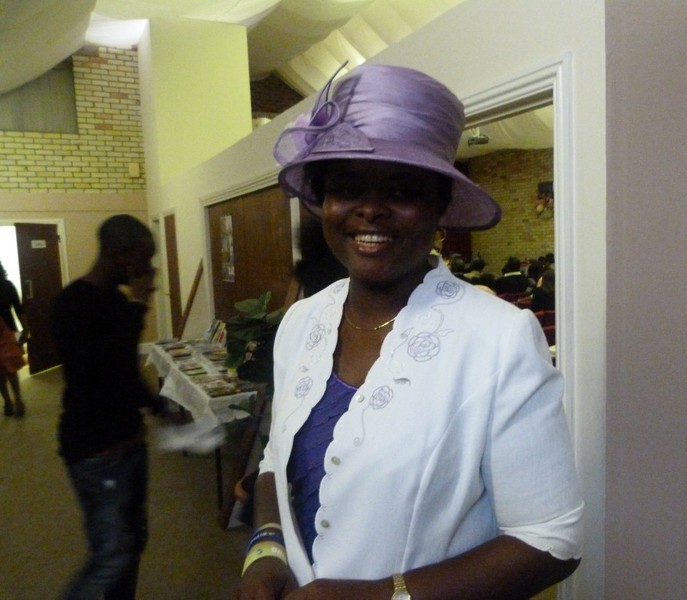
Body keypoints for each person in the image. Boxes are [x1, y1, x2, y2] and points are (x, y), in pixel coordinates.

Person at [234, 64, 583, 600]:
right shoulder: (302, 322)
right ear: (324, 202)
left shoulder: (498, 338)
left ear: (440, 205)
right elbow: (274, 462)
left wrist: (377, 595)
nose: (370, 210)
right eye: (347, 187)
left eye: (402, 190)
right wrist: (266, 549)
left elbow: (550, 540)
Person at [53, 214, 164, 600]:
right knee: (111, 558)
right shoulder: (71, 304)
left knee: (132, 546)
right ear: (121, 257)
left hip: (130, 444)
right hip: (96, 451)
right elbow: (98, 369)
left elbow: (126, 375)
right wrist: (138, 306)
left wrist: (158, 406)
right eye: (144, 260)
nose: (149, 270)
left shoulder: (118, 302)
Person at [0, 261, 29, 417]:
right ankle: (7, 402)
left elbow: (18, 308)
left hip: (8, 332)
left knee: (11, 368)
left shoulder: (7, 285)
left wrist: (26, 328)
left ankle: (17, 401)